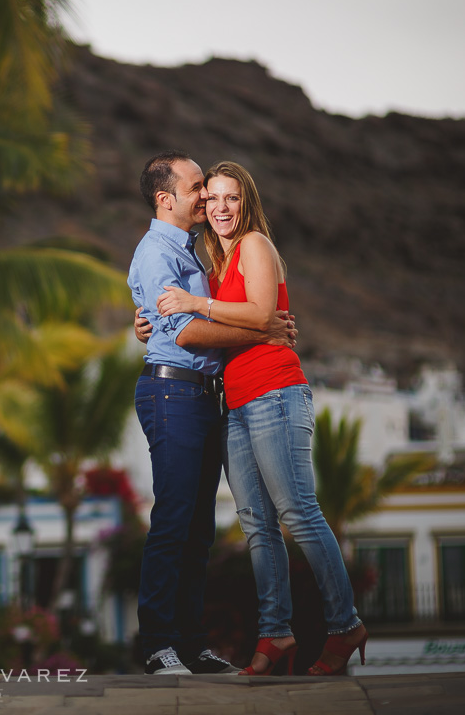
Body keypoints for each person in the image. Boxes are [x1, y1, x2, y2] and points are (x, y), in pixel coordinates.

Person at [151, 160, 367, 676]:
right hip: (235, 404)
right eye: (213, 199)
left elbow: (262, 314)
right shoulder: (213, 265)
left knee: (297, 511)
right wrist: (152, 325)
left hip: (275, 393)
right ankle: (275, 634)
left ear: (246, 204)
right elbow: (224, 325)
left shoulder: (254, 246)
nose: (222, 208)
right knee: (256, 525)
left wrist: (193, 303)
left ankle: (344, 625)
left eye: (232, 199)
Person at [128, 150, 297, 675]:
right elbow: (186, 331)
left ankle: (191, 643)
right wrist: (262, 330)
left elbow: (173, 318)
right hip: (173, 396)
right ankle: (158, 643)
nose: (205, 195)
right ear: (166, 198)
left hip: (204, 395)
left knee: (199, 528)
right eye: (197, 186)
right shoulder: (158, 253)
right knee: (174, 521)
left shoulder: (194, 250)